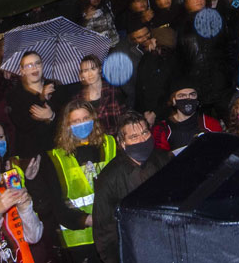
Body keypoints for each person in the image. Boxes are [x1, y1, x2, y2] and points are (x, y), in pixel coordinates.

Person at [92, 112, 172, 263]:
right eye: (134, 137)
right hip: (135, 253)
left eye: (144, 133)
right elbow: (105, 230)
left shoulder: (165, 160)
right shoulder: (110, 177)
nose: (142, 140)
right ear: (122, 142)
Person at [44, 100, 116, 262]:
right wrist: (88, 220)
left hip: (112, 233)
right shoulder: (57, 157)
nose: (81, 124)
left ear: (93, 119)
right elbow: (57, 204)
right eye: (75, 121)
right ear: (67, 126)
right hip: (80, 240)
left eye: (85, 119)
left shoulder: (110, 144)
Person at [5, 52, 58, 161]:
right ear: (22, 70)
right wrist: (42, 99)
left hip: (57, 148)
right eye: (29, 65)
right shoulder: (14, 95)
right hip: (31, 154)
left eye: (37, 63)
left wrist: (51, 115)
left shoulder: (55, 87)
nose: (34, 68)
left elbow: (65, 118)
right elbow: (23, 124)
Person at [151, 79, 222, 154]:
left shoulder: (210, 124)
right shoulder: (162, 129)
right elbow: (160, 160)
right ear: (174, 100)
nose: (188, 99)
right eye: (182, 96)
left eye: (192, 95)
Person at [73, 56, 125, 136]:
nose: (90, 74)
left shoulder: (113, 90)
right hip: (91, 142)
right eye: (85, 71)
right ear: (82, 74)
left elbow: (123, 119)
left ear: (100, 69)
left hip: (114, 139)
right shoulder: (79, 98)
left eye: (93, 69)